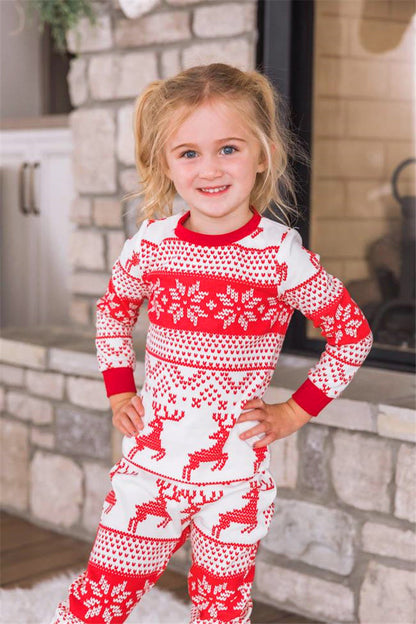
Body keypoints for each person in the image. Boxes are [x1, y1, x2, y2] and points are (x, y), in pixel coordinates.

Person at [52, 63, 373, 624]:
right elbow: (113, 312)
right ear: (163, 162)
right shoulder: (151, 243)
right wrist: (118, 391)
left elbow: (352, 334)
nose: (210, 169)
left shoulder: (280, 256)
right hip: (149, 471)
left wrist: (296, 411)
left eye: (228, 148)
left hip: (233, 483)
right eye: (189, 153)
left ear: (264, 152)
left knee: (223, 613)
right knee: (98, 603)